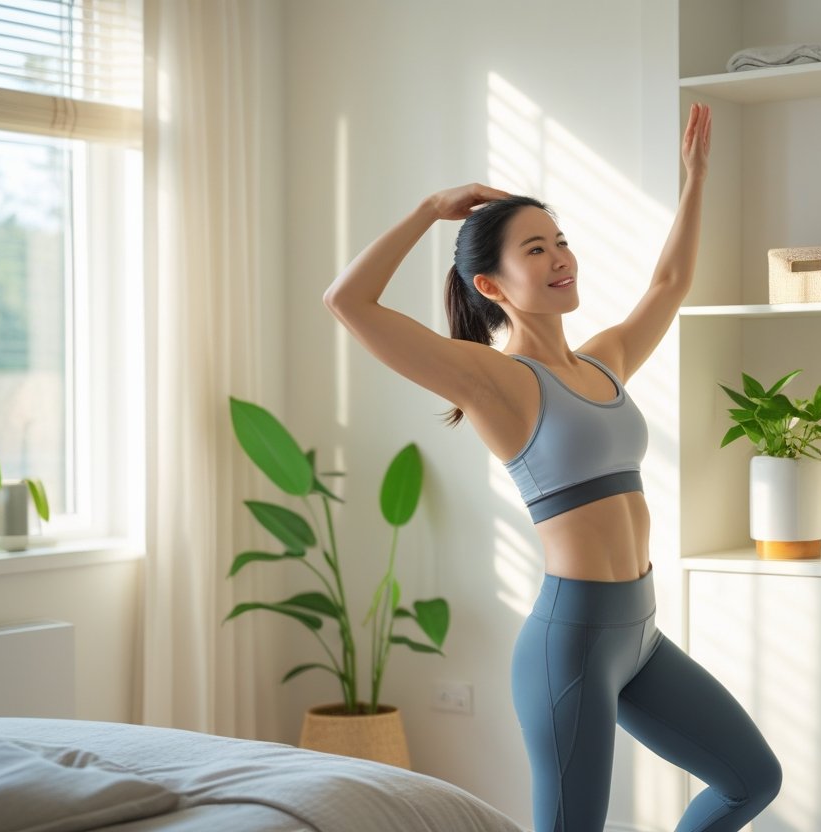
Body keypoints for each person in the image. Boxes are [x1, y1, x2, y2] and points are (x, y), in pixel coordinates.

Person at [323, 103, 781, 832]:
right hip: (571, 642)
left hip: (642, 634)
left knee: (751, 779)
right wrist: (425, 210)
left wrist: (695, 179)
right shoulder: (493, 382)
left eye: (560, 240)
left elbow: (668, 286)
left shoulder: (603, 361)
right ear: (491, 287)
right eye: (534, 249)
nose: (559, 256)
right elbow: (347, 302)